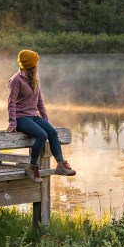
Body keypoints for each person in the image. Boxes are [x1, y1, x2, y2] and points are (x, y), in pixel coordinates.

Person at [6, 49, 76, 182]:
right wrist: (12, 122)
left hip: (33, 116)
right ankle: (32, 167)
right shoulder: (16, 80)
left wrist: (45, 118)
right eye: (36, 63)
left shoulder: (34, 79)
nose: (37, 65)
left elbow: (39, 101)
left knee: (52, 132)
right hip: (21, 118)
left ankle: (61, 165)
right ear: (30, 65)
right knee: (42, 135)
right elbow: (11, 102)